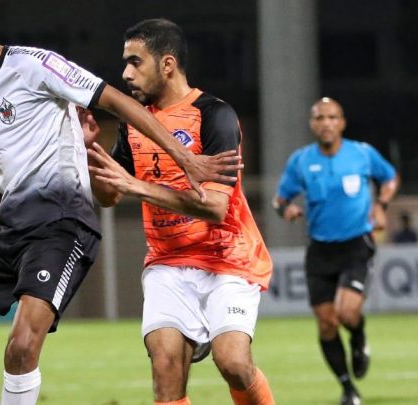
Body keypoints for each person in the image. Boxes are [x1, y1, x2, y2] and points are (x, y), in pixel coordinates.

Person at [0, 2, 241, 404]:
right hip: (9, 228)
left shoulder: (35, 65)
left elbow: (117, 102)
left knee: (21, 347)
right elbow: (5, 164)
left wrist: (185, 159)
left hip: (60, 226)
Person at [85, 19, 274, 405]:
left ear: (167, 64)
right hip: (167, 261)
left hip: (226, 259)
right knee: (166, 368)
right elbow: (108, 196)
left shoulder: (214, 115)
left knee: (234, 363)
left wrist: (137, 186)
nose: (126, 74)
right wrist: (92, 153)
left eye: (135, 62)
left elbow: (216, 208)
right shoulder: (134, 124)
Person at [273, 98, 398, 405]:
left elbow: (390, 178)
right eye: (320, 118)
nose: (326, 123)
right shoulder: (301, 161)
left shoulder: (362, 153)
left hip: (356, 244)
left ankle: (358, 337)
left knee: (347, 313)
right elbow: (280, 199)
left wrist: (381, 206)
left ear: (342, 123)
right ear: (312, 124)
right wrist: (286, 209)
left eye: (332, 117)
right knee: (327, 323)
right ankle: (348, 388)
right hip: (319, 250)